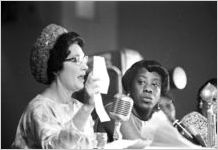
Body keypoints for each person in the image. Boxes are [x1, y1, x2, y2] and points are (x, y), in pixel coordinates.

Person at [11, 24, 100, 149]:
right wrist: (87, 108)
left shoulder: (78, 107)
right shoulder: (39, 109)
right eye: (75, 60)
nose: (85, 67)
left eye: (84, 60)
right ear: (56, 67)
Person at [96, 60, 180, 143]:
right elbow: (139, 146)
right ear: (129, 87)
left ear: (160, 94)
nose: (148, 89)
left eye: (155, 84)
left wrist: (171, 121)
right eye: (141, 82)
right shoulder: (115, 110)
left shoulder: (156, 119)